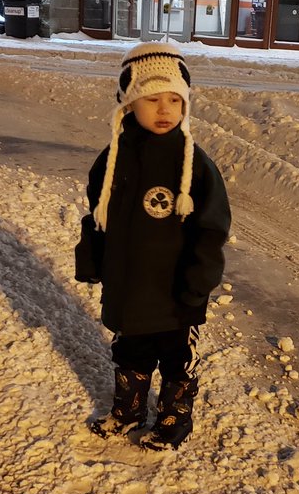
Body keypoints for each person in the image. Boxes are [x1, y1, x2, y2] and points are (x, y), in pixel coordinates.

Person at [75, 41, 231, 451]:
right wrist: (92, 259)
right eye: (152, 100)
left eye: (174, 100)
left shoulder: (193, 163)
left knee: (178, 358)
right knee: (130, 352)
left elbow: (212, 227)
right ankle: (128, 411)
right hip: (130, 287)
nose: (164, 110)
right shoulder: (112, 161)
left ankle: (174, 416)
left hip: (178, 290)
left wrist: (201, 279)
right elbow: (98, 215)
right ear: (128, 103)